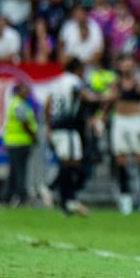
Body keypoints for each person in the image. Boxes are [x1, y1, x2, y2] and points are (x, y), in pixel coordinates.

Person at [43, 58, 94, 216]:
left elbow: (47, 104)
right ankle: (51, 188)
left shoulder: (56, 82)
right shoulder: (74, 81)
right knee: (71, 162)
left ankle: (67, 200)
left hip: (57, 126)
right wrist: (106, 97)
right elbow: (85, 96)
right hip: (67, 127)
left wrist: (48, 126)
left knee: (72, 163)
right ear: (77, 69)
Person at [110, 54, 140, 215]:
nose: (127, 67)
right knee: (121, 159)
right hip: (120, 120)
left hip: (136, 120)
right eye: (124, 64)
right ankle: (125, 198)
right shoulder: (115, 84)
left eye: (130, 64)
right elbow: (109, 102)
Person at [1, 83, 38, 206]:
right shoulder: (18, 104)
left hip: (18, 141)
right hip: (18, 142)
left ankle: (5, 196)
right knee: (19, 171)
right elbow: (24, 123)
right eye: (24, 89)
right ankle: (21, 196)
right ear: (18, 91)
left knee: (14, 171)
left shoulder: (19, 103)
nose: (26, 91)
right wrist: (33, 136)